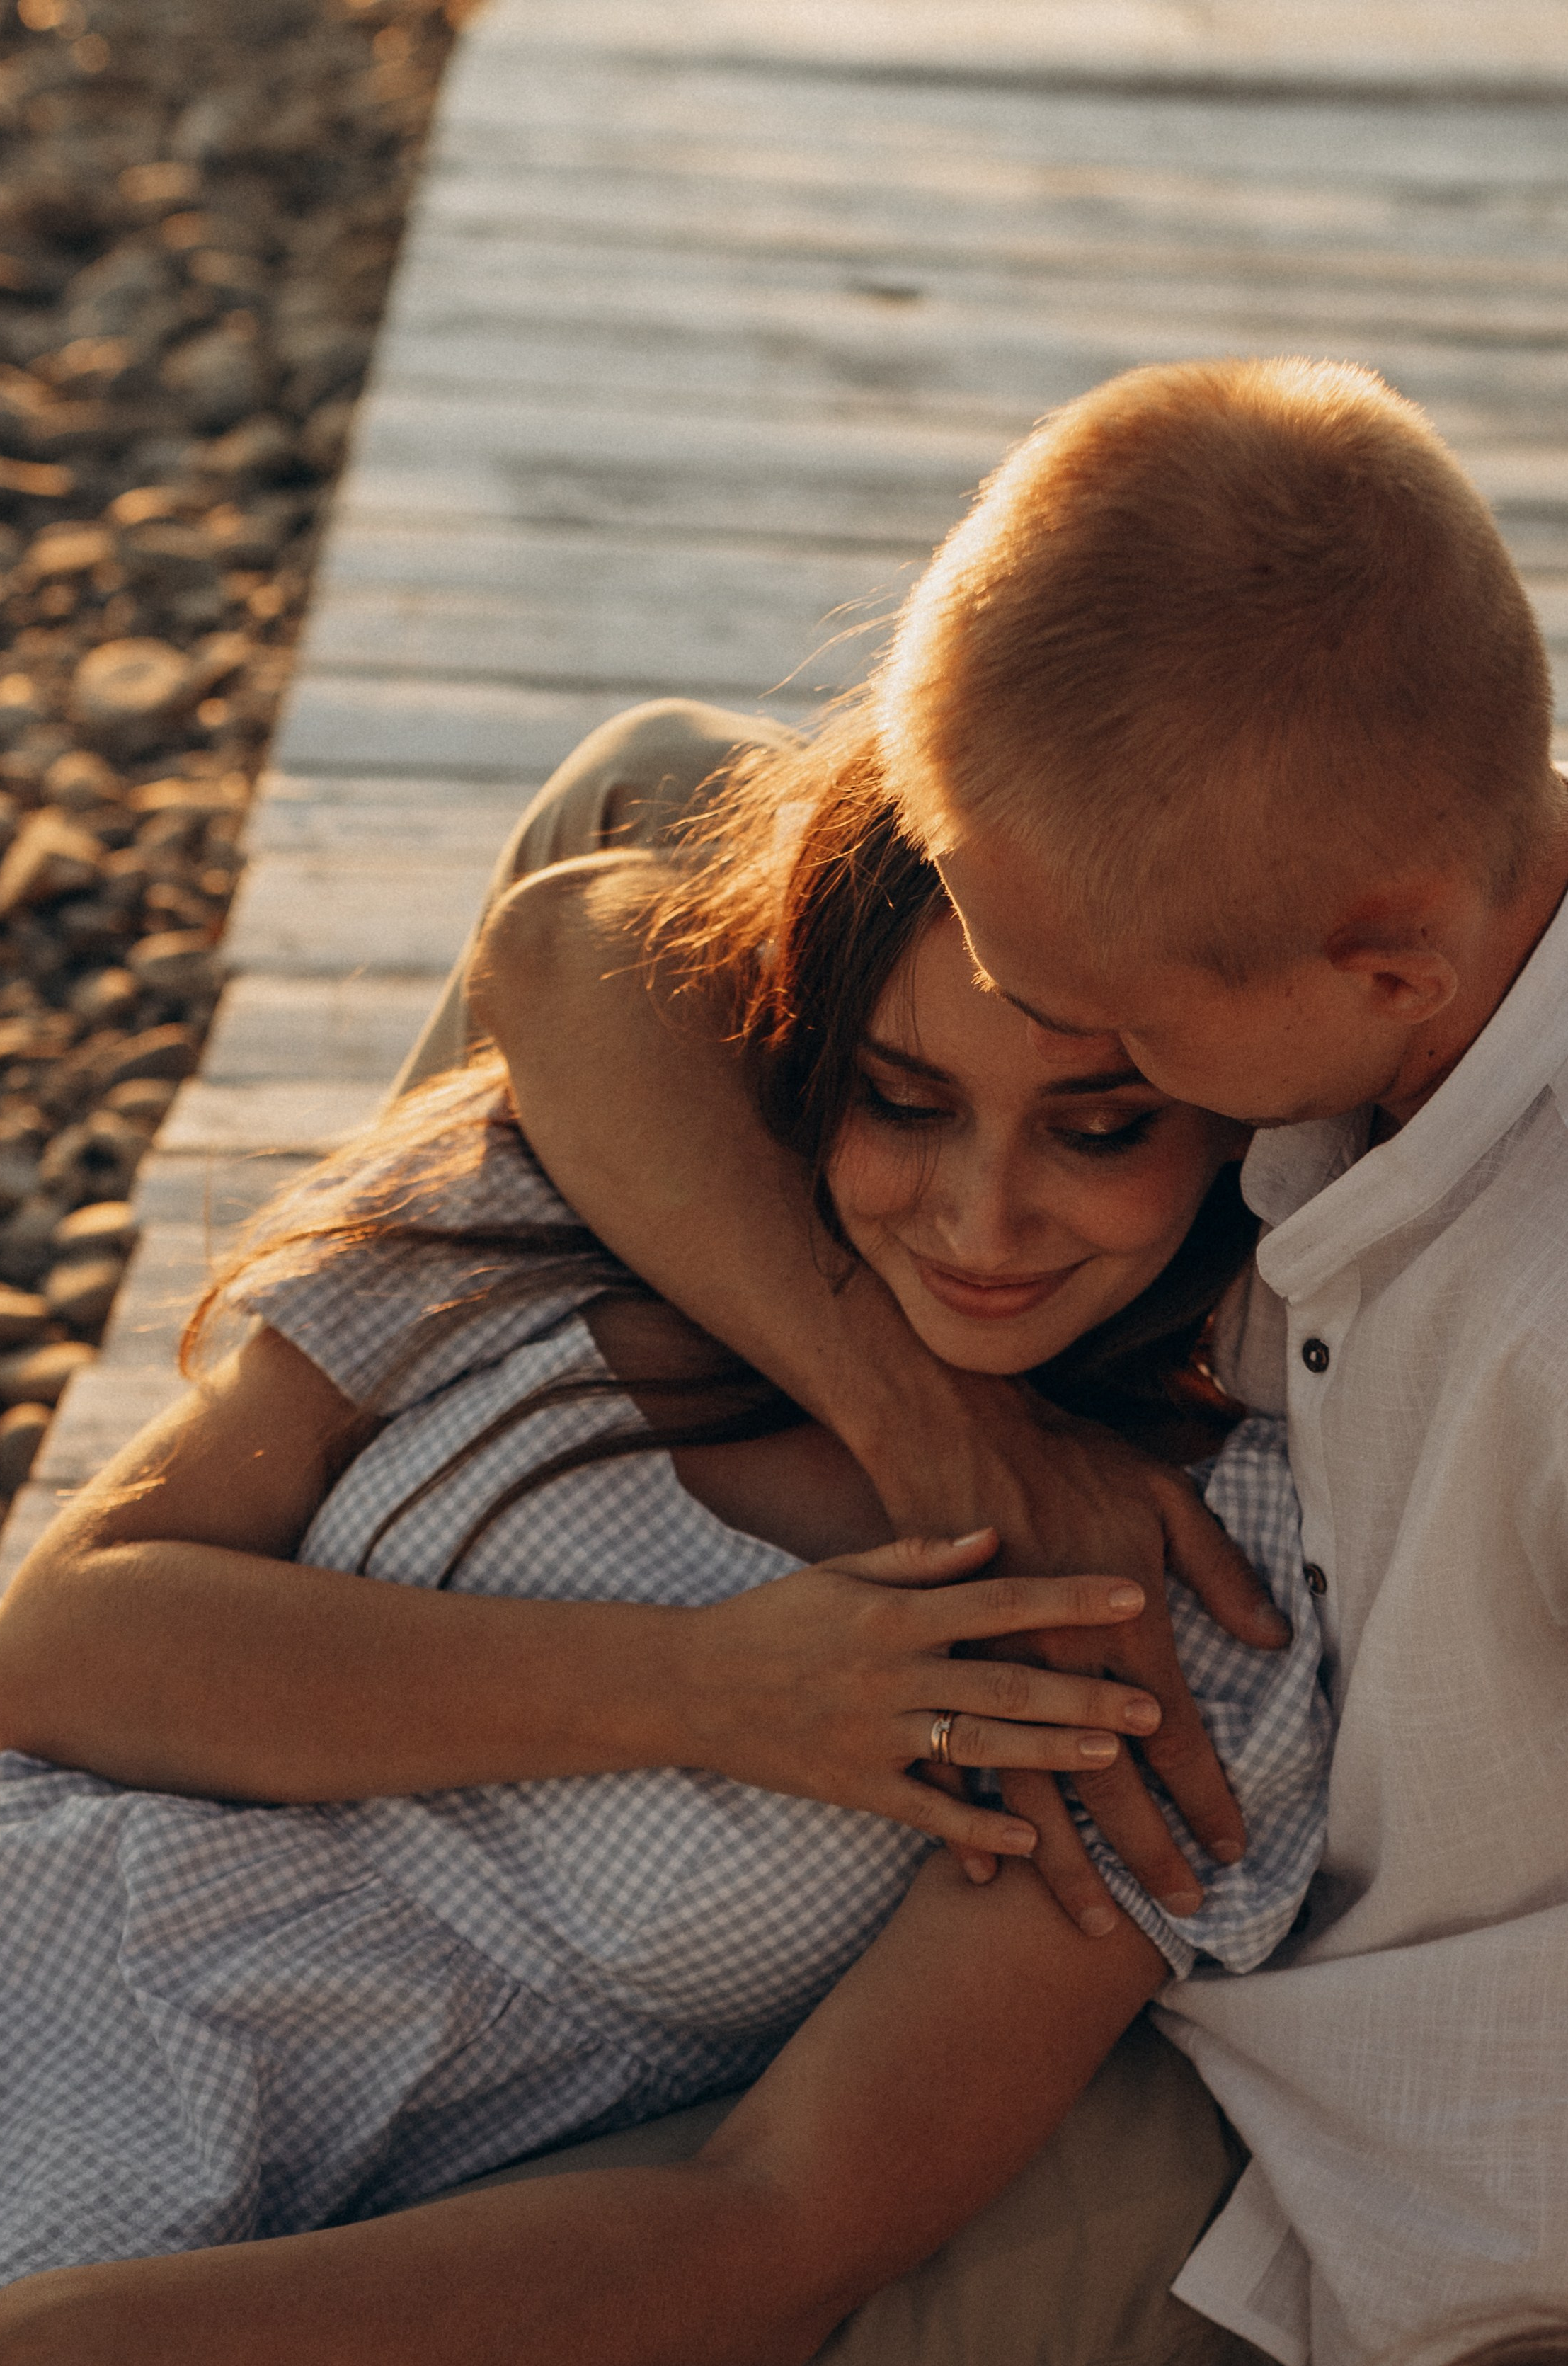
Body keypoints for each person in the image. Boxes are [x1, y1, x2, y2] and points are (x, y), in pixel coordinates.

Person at [468, 358, 1568, 2361]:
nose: (1032, 1028)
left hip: (1330, 2115)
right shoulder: (1350, 903)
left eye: (1097, 1040)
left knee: (582, 2273)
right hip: (1008, 1803)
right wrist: (932, 1420)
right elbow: (598, 867)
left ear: (1383, 968)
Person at [0, 736, 1324, 2353]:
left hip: (186, 2246)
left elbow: (782, 2224)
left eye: (1099, 1132)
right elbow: (55, 1660)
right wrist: (706, 1691)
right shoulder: (586, 1199)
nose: (983, 1222)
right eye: (901, 1101)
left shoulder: (1183, 1598)